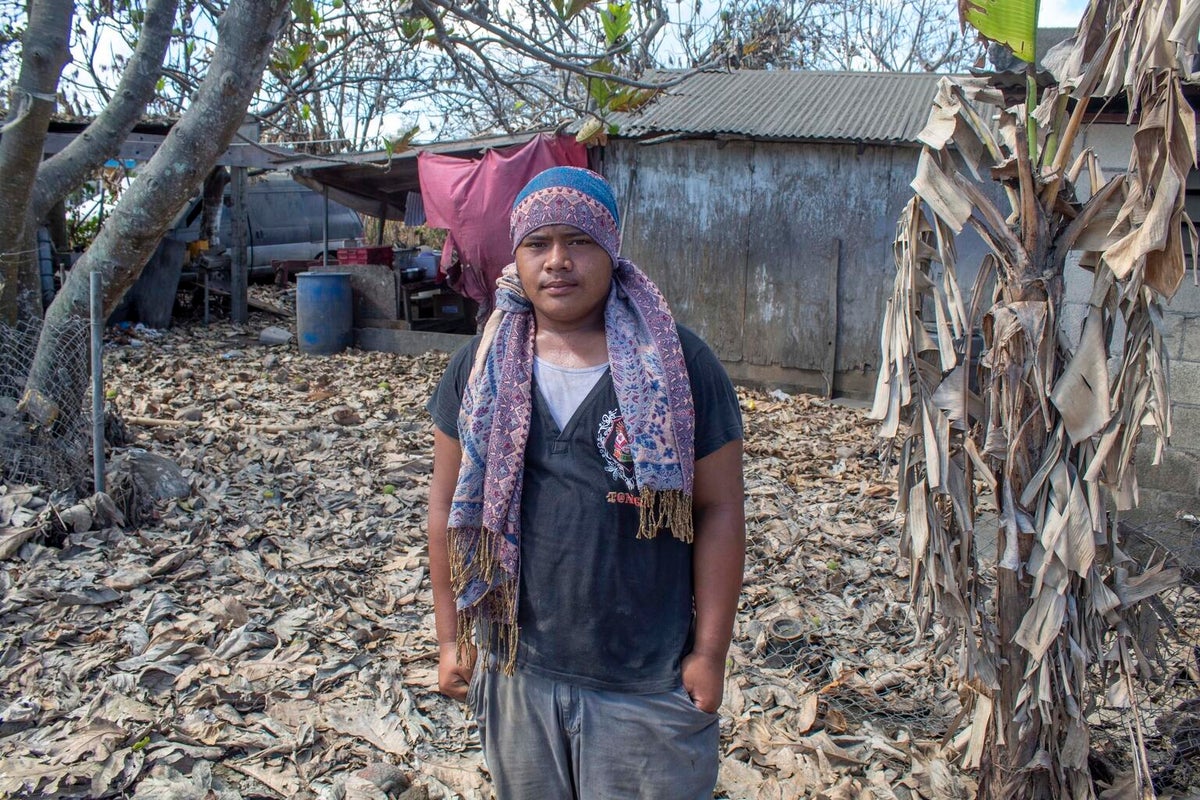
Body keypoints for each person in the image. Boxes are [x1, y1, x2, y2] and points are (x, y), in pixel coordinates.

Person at [426, 166, 745, 799]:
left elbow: (719, 510)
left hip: (646, 681)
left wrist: (708, 655)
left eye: (580, 241)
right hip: (519, 671)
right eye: (538, 244)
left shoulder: (678, 365)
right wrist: (448, 636)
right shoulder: (482, 365)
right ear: (515, 256)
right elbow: (444, 506)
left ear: (612, 249)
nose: (558, 262)